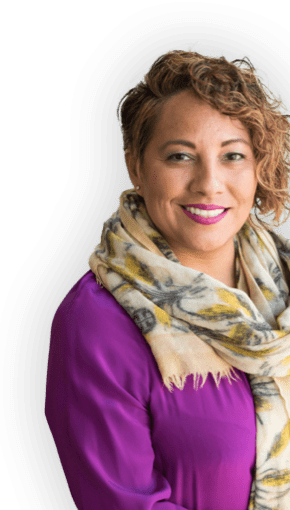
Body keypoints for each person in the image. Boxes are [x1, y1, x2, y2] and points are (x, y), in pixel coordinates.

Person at [44, 46, 290, 510]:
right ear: (137, 165)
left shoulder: (286, 282)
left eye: (233, 155)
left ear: (259, 166)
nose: (209, 183)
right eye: (180, 156)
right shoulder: (95, 325)